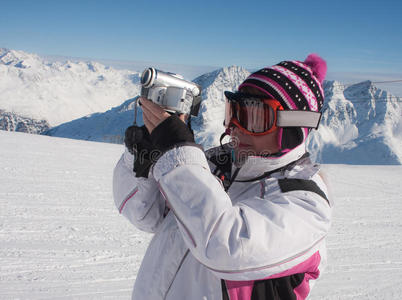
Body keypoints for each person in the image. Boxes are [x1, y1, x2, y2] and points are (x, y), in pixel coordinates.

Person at [113, 54, 333, 300]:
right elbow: (146, 216)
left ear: (292, 129)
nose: (234, 127)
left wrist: (178, 152)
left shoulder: (306, 205)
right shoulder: (216, 164)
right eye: (233, 111)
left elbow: (225, 246)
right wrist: (144, 157)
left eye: (254, 117)